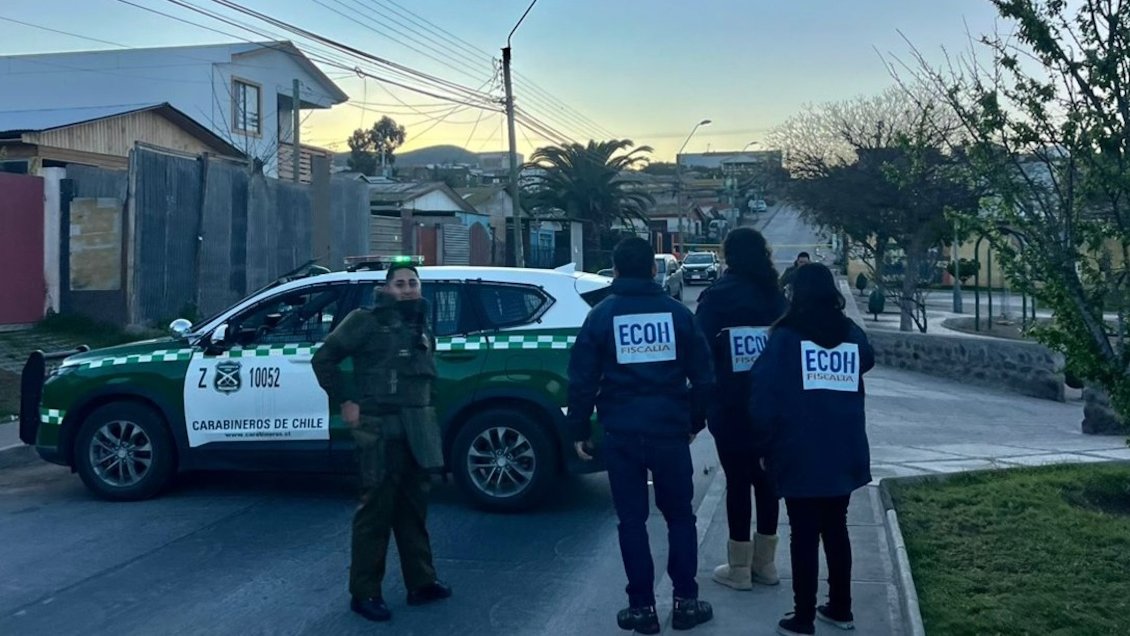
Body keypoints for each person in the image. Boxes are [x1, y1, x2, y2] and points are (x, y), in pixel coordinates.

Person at [568, 236, 716, 634]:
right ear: (653, 270)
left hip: (621, 433)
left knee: (631, 521)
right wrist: (694, 422)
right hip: (669, 430)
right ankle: (686, 601)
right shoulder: (677, 315)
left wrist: (579, 428)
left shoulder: (601, 316)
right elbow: (704, 378)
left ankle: (642, 609)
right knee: (679, 517)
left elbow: (582, 379)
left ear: (614, 271)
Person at [312, 263, 451, 623]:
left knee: (413, 512)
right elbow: (324, 358)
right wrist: (346, 400)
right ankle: (365, 593)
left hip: (417, 431)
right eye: (400, 283)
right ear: (386, 288)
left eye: (412, 283)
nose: (407, 289)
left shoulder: (419, 323)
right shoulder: (365, 320)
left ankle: (421, 583)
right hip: (379, 430)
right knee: (375, 514)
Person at [748, 263, 875, 636]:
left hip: (798, 448)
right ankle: (841, 608)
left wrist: (762, 441)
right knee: (837, 527)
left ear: (796, 294)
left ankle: (803, 617)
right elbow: (867, 359)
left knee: (803, 532)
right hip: (843, 446)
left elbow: (763, 394)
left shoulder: (786, 337)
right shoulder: (850, 334)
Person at [693, 228, 788, 590]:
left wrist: (696, 411)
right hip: (771, 406)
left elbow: (700, 354)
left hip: (730, 405)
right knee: (767, 482)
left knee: (737, 482)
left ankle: (739, 569)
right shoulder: (776, 297)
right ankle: (766, 565)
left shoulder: (716, 298)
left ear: (727, 256)